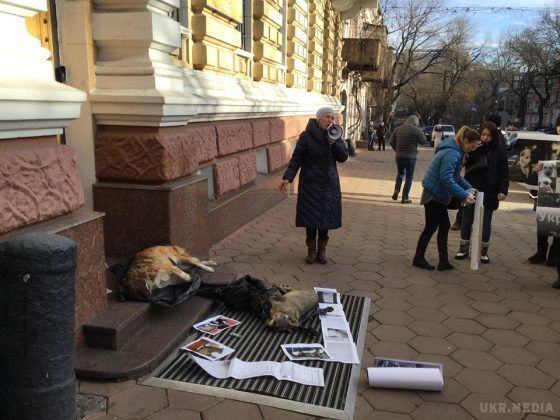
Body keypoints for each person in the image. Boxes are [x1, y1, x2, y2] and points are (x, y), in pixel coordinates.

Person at [279, 107, 348, 265]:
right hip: (310, 183)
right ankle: (311, 251)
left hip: (329, 184)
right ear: (319, 119)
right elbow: (297, 159)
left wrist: (335, 143)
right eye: (327, 117)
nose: (330, 120)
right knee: (310, 218)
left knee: (325, 219)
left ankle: (322, 251)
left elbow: (343, 157)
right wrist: (288, 178)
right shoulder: (306, 136)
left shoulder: (336, 135)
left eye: (332, 118)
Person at [413, 126, 480, 271]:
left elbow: (455, 177)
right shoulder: (453, 153)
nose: (472, 149)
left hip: (437, 194)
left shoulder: (455, 150)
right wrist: (464, 195)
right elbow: (446, 179)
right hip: (433, 195)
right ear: (466, 141)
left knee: (443, 226)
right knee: (431, 227)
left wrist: (470, 188)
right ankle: (418, 258)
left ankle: (443, 262)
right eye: (472, 146)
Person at [454, 122, 509, 263]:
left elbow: (504, 172)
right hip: (471, 187)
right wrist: (470, 152)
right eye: (483, 134)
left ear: (494, 136)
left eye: (488, 135)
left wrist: (502, 190)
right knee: (467, 220)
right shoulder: (473, 147)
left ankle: (483, 252)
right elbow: (461, 163)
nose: (485, 138)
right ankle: (463, 249)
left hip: (490, 190)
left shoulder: (499, 151)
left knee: (486, 222)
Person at [528, 115, 560, 268]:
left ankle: (553, 255)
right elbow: (537, 164)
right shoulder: (548, 143)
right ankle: (541, 252)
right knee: (543, 220)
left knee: (558, 224)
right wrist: (537, 169)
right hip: (546, 189)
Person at [390, 115, 426, 204]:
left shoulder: (398, 129)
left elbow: (391, 141)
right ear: (415, 122)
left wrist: (397, 150)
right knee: (409, 177)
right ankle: (405, 197)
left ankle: (396, 191)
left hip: (399, 156)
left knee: (400, 174)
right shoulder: (416, 130)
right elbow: (424, 141)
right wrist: (420, 131)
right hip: (410, 157)